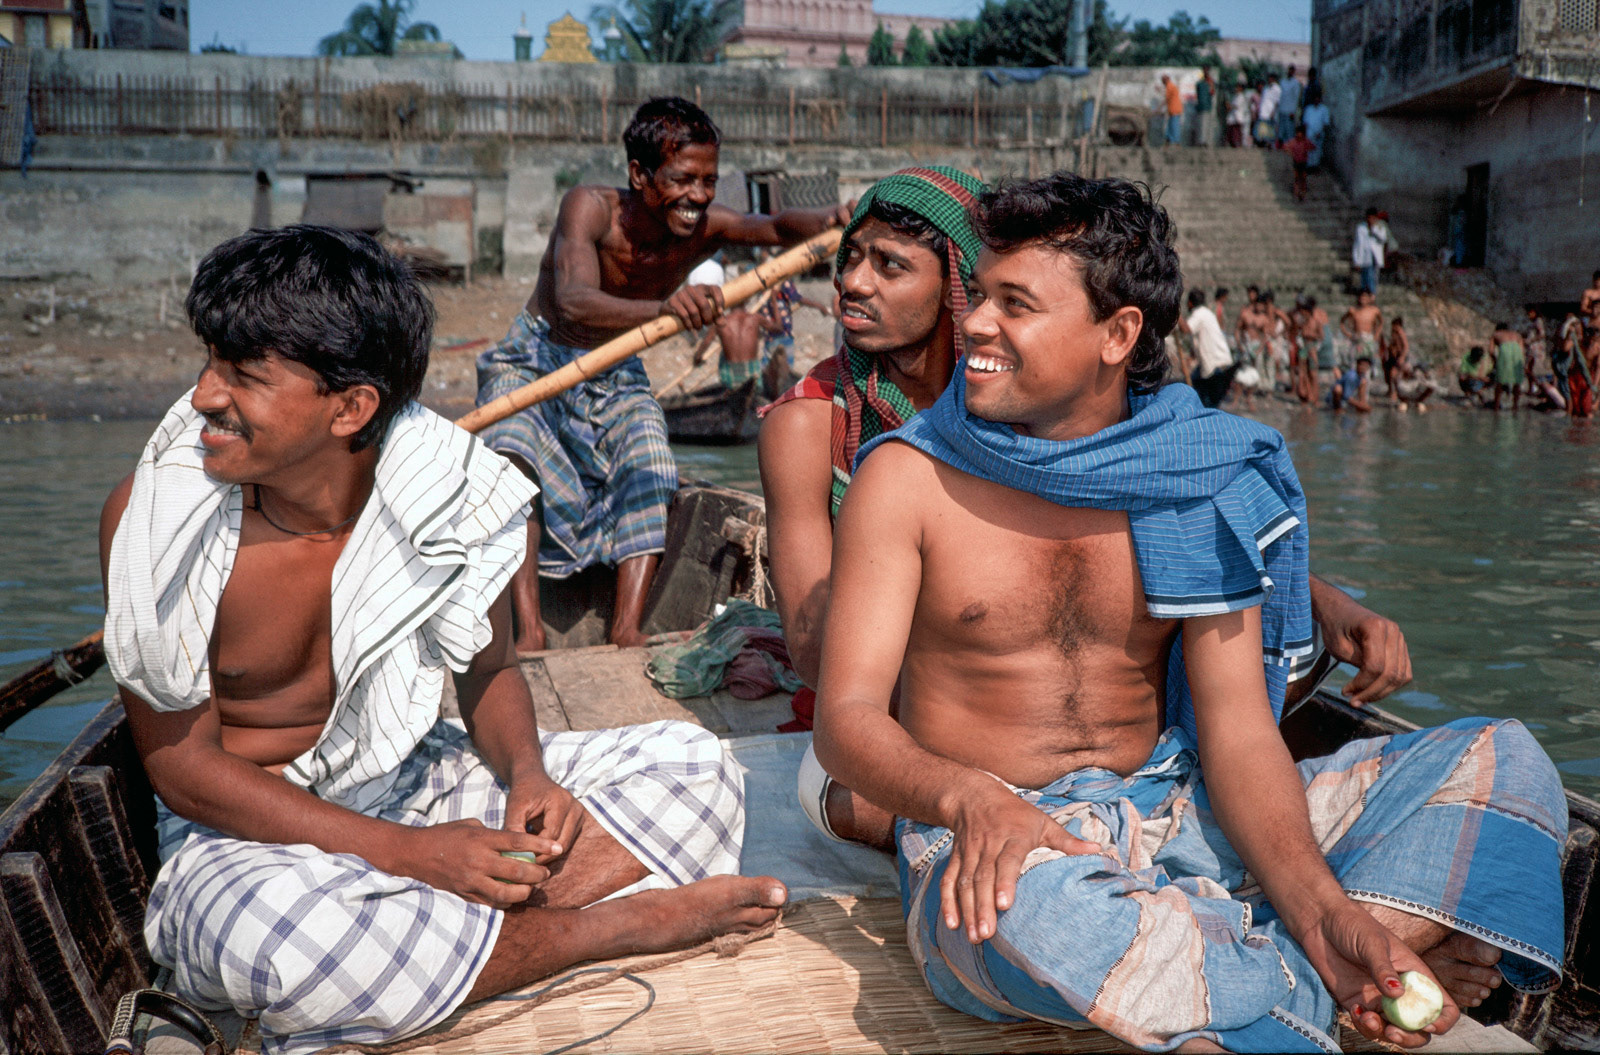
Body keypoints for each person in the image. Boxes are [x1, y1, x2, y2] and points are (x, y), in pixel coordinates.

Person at [813, 172, 1567, 1054]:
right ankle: (1320, 961)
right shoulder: (906, 478)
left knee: (1503, 762)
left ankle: (1264, 957)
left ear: (1117, 333)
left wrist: (1327, 918)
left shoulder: (1194, 477)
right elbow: (847, 720)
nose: (975, 322)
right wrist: (965, 796)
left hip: (1175, 810)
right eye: (979, 294)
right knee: (1042, 919)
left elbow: (1240, 736)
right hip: (1000, 844)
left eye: (1014, 304)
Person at [99, 226, 785, 1054]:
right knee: (284, 944)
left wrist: (529, 773)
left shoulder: (441, 490)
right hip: (246, 833)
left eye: (243, 376)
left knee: (698, 769)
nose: (205, 396)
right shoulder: (158, 515)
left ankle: (438, 943)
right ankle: (605, 929)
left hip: (409, 777)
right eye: (209, 362)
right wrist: (410, 854)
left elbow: (488, 666)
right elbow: (183, 771)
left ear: (350, 407)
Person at [763, 170, 1417, 855]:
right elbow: (817, 657)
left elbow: (1147, 501)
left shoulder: (1052, 397)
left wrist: (1319, 597)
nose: (853, 284)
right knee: (899, 805)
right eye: (851, 260)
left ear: (957, 276)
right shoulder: (838, 435)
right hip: (910, 742)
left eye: (890, 264)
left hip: (1120, 779)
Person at [475, 97, 847, 651]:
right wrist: (666, 311)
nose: (698, 196)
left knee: (650, 455)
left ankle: (627, 627)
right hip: (539, 358)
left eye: (709, 181)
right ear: (639, 175)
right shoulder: (590, 207)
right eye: (682, 179)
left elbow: (771, 227)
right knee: (511, 454)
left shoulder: (704, 227)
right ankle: (529, 630)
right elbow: (575, 302)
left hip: (615, 366)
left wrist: (827, 221)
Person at [1185, 288, 1234, 408]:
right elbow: (1198, 339)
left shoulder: (1200, 314)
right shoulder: (1206, 313)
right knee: (1196, 384)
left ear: (1190, 303)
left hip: (1216, 365)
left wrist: (1175, 316)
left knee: (1208, 403)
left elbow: (1186, 329)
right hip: (1218, 363)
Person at [1291, 294, 1333, 403]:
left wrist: (1312, 339)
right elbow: (1296, 333)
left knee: (1313, 373)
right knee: (1302, 371)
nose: (1303, 314)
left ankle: (1315, 398)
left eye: (1304, 312)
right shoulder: (1301, 322)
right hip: (1303, 347)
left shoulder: (1316, 322)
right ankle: (1305, 394)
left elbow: (1321, 336)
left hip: (1312, 347)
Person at [1341, 287, 1384, 370]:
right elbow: (1342, 322)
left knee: (1369, 363)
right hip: (1357, 338)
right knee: (1354, 363)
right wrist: (1348, 334)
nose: (1363, 299)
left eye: (1365, 297)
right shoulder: (1353, 310)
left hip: (1369, 338)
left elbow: (1381, 322)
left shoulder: (1374, 310)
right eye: (1361, 297)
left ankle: (1368, 379)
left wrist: (1377, 334)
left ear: (1369, 298)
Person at [1491, 321, 1525, 411]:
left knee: (1500, 380)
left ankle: (1496, 406)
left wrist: (1495, 361)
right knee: (1517, 382)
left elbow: (1490, 351)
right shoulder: (1517, 335)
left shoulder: (1496, 334)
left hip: (1505, 352)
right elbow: (1522, 351)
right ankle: (1515, 406)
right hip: (1517, 352)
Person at [1352, 208, 1386, 294]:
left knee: (1372, 277)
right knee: (1365, 278)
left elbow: (1383, 239)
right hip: (1364, 257)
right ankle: (1365, 295)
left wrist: (1373, 229)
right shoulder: (1361, 228)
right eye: (1369, 218)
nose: (1370, 220)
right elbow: (1358, 245)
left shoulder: (1380, 227)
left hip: (1374, 257)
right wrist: (1357, 261)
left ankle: (1372, 295)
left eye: (1372, 218)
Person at [1282, 124, 1314, 202]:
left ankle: (1302, 193)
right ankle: (1296, 194)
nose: (1298, 135)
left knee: (1303, 178)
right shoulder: (1293, 141)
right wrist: (1291, 153)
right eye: (1297, 133)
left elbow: (1312, 147)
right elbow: (1285, 147)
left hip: (1303, 162)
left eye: (1300, 133)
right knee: (1297, 178)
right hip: (1296, 162)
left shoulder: (1306, 141)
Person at [1301, 85, 1330, 168]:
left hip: (1319, 133)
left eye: (1318, 98)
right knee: (1309, 151)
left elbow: (1325, 123)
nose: (1316, 100)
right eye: (1315, 98)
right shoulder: (1308, 109)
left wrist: (1320, 132)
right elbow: (1305, 122)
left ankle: (1315, 166)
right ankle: (1309, 166)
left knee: (1317, 150)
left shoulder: (1324, 109)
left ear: (1320, 99)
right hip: (1309, 133)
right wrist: (1305, 134)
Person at [1380, 314, 1409, 398]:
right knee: (1388, 373)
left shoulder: (1400, 332)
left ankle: (1396, 392)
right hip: (1392, 356)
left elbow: (1406, 346)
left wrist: (1402, 357)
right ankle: (1390, 390)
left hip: (1399, 356)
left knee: (1394, 374)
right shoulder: (1394, 332)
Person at [1276, 64, 1303, 146]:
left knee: (1289, 133)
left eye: (1292, 70)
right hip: (1281, 111)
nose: (1290, 72)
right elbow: (1279, 96)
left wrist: (1293, 111)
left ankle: (1289, 152)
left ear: (1294, 72)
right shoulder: (1282, 82)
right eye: (1289, 70)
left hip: (1290, 112)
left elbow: (1296, 98)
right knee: (1281, 132)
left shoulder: (1295, 83)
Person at [1255, 72, 1281, 146]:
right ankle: (1262, 143)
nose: (1269, 80)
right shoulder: (1266, 88)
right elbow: (1263, 100)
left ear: (1273, 79)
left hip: (1271, 112)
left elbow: (1277, 102)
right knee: (1262, 130)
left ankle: (1270, 144)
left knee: (1270, 130)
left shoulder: (1277, 89)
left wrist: (1273, 112)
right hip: (1263, 111)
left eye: (1270, 78)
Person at [1193, 67, 1217, 147]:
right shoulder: (1200, 83)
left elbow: (1212, 92)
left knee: (1205, 125)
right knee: (1201, 125)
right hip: (1201, 107)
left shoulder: (1210, 83)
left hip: (1206, 107)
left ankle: (1204, 142)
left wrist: (1211, 85)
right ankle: (1201, 141)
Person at [1226, 75, 1250, 148]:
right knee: (1231, 132)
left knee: (1236, 132)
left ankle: (1237, 144)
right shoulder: (1235, 96)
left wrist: (1229, 106)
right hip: (1233, 117)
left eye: (1238, 87)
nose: (1236, 88)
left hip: (1238, 117)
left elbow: (1236, 106)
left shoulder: (1241, 96)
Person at [1160, 73, 1183, 146]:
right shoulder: (1170, 86)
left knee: (1174, 126)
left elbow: (1167, 99)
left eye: (1163, 81)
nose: (1162, 83)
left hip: (1174, 110)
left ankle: (1176, 142)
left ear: (1166, 80)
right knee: (1170, 126)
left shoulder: (1169, 86)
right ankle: (1168, 141)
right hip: (1173, 109)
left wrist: (1158, 109)